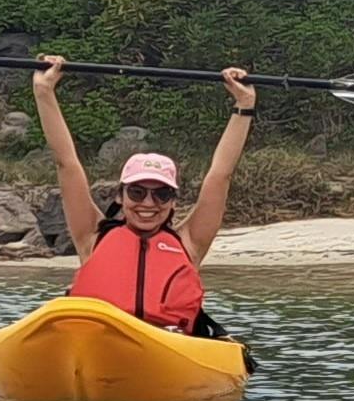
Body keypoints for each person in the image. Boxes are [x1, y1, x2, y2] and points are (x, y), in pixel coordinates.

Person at [35, 54, 255, 336]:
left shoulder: (189, 243)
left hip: (166, 348)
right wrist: (44, 92)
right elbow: (66, 163)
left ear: (173, 201)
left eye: (161, 194)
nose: (148, 204)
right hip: (98, 345)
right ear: (120, 196)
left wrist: (244, 106)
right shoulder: (92, 236)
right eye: (137, 192)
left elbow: (220, 175)